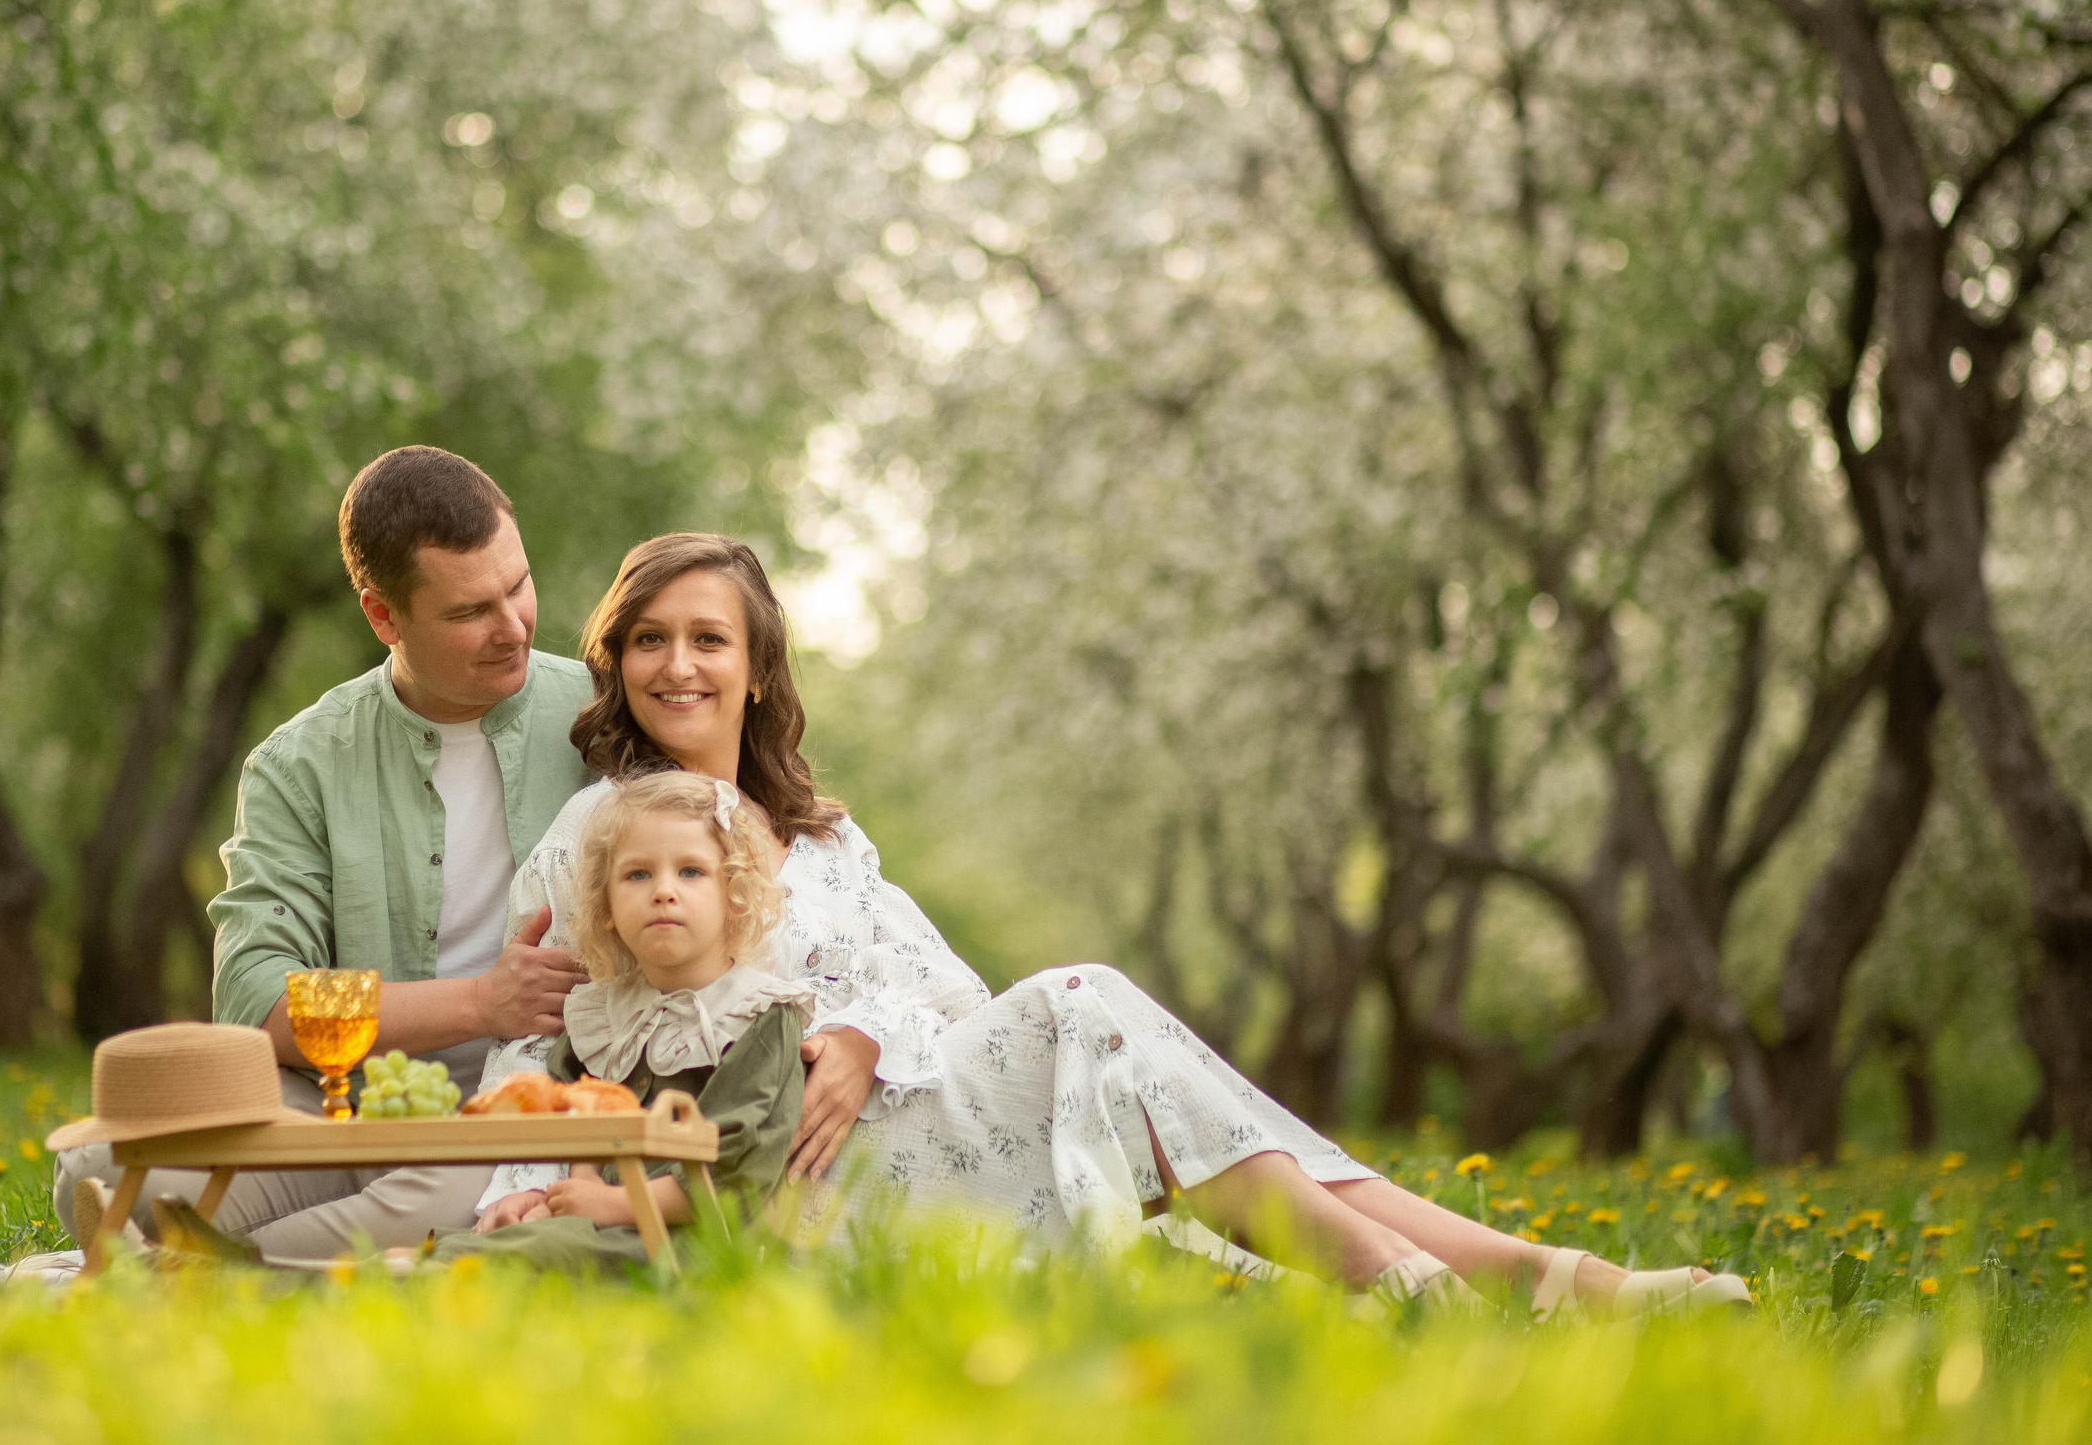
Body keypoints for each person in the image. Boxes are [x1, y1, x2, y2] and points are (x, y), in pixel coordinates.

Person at [474, 534, 1751, 1316]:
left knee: (1102, 1035)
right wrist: (539, 1192)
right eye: (650, 639)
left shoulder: (819, 838)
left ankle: (1491, 1284)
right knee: (1098, 1017)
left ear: (757, 668)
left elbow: (955, 994)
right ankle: (1508, 1283)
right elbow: (531, 1056)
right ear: (617, 662)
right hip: (797, 1193)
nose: (678, 665)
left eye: (709, 639)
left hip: (922, 1120)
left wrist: (863, 1030)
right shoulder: (593, 841)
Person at [52, 447, 594, 1258]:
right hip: (339, 1111)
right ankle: (260, 1253)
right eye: (468, 611)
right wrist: (480, 1004)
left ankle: (199, 1272)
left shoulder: (603, 716)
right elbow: (257, 998)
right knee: (98, 1166)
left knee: (458, 1184)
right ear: (384, 617)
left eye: (517, 585)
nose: (512, 626)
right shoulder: (299, 762)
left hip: (525, 1111)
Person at [422, 771, 809, 1271]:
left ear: (733, 894)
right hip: (602, 1229)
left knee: (536, 1255)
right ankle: (394, 1278)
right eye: (638, 874)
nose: (664, 891)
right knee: (494, 1238)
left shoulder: (757, 1015)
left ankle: (413, 1282)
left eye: (691, 871)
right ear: (606, 907)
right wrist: (556, 1193)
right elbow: (583, 1117)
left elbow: (737, 1171)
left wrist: (612, 1204)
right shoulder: (604, 1016)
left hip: (692, 1246)